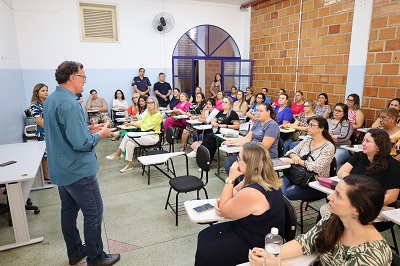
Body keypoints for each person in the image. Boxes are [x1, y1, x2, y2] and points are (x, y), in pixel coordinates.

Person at [43, 61, 120, 266]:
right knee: (93, 212)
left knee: (68, 212)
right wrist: (100, 134)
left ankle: (75, 251)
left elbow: (65, 132)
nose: (85, 81)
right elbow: (81, 144)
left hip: (61, 169)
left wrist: (89, 129)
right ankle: (96, 257)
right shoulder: (70, 104)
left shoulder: (52, 100)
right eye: (83, 77)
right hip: (78, 171)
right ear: (72, 78)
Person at [249, 175, 392, 266]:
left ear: (357, 210)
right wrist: (271, 255)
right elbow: (306, 242)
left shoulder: (371, 255)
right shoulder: (335, 219)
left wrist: (277, 264)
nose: (329, 197)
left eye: (338, 195)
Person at [195, 142, 285, 266]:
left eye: (239, 159)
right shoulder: (260, 177)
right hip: (250, 228)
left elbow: (225, 210)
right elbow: (235, 192)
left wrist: (231, 178)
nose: (236, 162)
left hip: (256, 243)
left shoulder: (253, 192)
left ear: (250, 164)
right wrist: (224, 203)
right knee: (205, 235)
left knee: (207, 250)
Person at [338, 129, 400, 207]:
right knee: (327, 209)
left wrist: (367, 206)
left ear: (379, 145)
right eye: (363, 140)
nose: (363, 144)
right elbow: (341, 172)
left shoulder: (393, 165)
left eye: (367, 141)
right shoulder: (359, 156)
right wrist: (356, 182)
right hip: (353, 200)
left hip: (377, 206)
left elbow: (391, 197)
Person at [281, 116, 335, 200]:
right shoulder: (308, 140)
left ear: (321, 128)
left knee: (284, 194)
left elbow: (316, 167)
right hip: (295, 174)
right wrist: (294, 156)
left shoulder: (328, 147)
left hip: (314, 182)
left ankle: (281, 212)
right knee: (274, 187)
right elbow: (291, 152)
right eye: (308, 125)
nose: (308, 127)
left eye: (311, 125)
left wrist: (298, 161)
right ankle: (280, 211)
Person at [106, 96, 163, 173]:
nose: (149, 104)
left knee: (128, 135)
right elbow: (141, 121)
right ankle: (129, 164)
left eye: (151, 103)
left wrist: (135, 124)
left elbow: (146, 126)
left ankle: (118, 153)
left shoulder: (158, 115)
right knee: (129, 143)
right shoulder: (149, 113)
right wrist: (131, 123)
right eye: (148, 103)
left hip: (153, 137)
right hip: (146, 135)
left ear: (155, 103)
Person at [223, 103, 280, 177]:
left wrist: (246, 147)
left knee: (236, 163)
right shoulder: (258, 122)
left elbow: (264, 147)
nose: (258, 113)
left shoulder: (272, 125)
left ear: (268, 112)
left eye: (261, 111)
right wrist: (231, 142)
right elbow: (247, 138)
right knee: (230, 161)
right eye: (257, 111)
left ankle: (242, 184)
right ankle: (237, 183)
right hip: (252, 152)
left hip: (265, 155)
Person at [30, 83, 50, 181]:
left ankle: (52, 173)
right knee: (45, 156)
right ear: (37, 93)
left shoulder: (48, 102)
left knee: (52, 154)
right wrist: (51, 130)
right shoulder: (35, 105)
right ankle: (46, 176)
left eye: (46, 90)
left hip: (50, 131)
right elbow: (39, 121)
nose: (46, 92)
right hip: (43, 133)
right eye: (43, 90)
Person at [328, 103, 353, 170]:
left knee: (334, 159)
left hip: (342, 147)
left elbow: (344, 137)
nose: (336, 112)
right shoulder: (328, 121)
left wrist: (329, 136)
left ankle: (336, 177)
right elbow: (322, 134)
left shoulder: (346, 124)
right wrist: (334, 137)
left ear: (344, 113)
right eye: (335, 110)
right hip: (328, 146)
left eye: (339, 111)